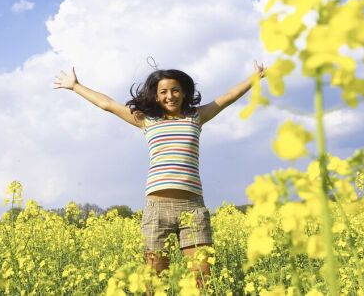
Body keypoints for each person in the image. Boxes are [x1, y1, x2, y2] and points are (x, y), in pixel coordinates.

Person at [53, 60, 266, 289]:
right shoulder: (147, 120)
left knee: (202, 279)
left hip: (193, 207)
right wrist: (75, 86)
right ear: (155, 96)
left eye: (175, 90)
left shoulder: (195, 116)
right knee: (154, 283)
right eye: (163, 91)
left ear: (184, 93)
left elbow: (228, 97)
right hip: (157, 207)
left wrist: (255, 77)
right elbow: (107, 104)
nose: (170, 96)